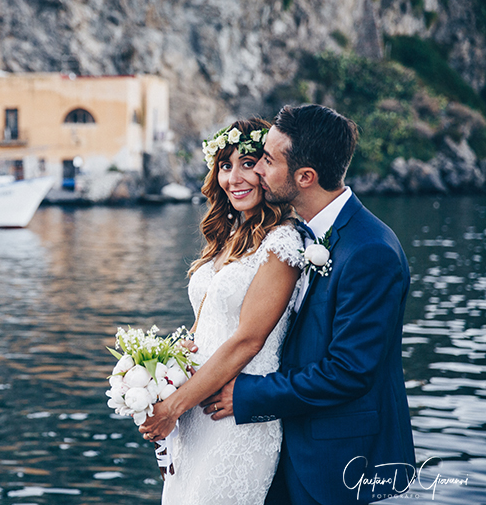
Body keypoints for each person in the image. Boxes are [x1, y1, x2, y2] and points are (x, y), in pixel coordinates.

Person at [201, 104, 416, 504]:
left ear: (304, 177)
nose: (257, 170)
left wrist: (248, 394)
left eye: (267, 160)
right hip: (281, 443)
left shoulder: (370, 250)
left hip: (335, 462)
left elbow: (348, 372)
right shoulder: (295, 234)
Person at [139, 118, 304, 504]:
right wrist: (156, 384)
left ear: (267, 169)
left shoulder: (282, 243)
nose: (235, 177)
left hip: (234, 414)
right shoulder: (226, 237)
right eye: (225, 166)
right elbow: (201, 328)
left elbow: (247, 340)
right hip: (196, 411)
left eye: (248, 163)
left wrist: (174, 407)